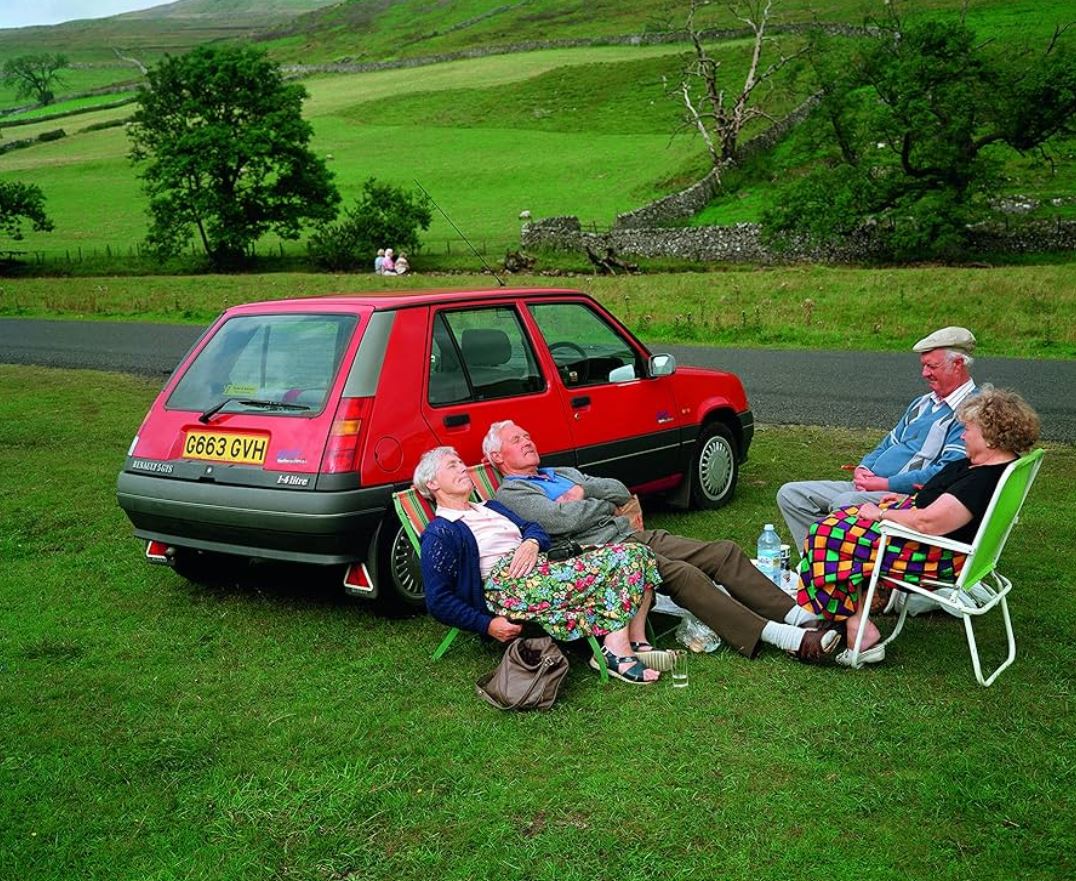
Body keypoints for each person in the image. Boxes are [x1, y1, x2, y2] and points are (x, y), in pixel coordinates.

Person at [484, 421, 840, 663]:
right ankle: (789, 639)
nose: (528, 441)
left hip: (632, 533)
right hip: (604, 552)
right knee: (684, 575)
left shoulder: (560, 473)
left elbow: (619, 491)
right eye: (517, 440)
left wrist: (582, 491)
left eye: (527, 435)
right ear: (498, 458)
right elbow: (562, 521)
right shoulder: (513, 491)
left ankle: (802, 618)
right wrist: (601, 506)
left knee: (723, 551)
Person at [798, 387, 1039, 667]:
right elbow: (939, 503)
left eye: (968, 429)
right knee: (839, 524)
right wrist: (905, 499)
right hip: (930, 537)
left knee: (825, 536)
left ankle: (857, 629)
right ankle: (855, 620)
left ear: (991, 437)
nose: (962, 435)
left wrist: (880, 514)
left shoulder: (982, 481)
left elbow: (929, 522)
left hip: (933, 553)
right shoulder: (997, 465)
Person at [415, 446, 667, 684]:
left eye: (461, 463)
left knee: (638, 553)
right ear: (433, 484)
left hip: (541, 564)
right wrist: (487, 624)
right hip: (511, 586)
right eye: (452, 465)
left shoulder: (490, 507)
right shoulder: (441, 532)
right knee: (621, 560)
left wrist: (532, 542)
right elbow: (438, 600)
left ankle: (636, 641)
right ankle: (616, 651)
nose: (462, 468)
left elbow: (533, 527)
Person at [777, 326, 979, 555]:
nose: (924, 373)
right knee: (791, 494)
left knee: (846, 502)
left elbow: (945, 472)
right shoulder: (922, 403)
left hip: (904, 495)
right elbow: (888, 442)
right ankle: (814, 562)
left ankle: (841, 570)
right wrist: (864, 466)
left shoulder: (970, 411)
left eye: (932, 366)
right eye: (923, 366)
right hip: (869, 484)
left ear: (958, 364)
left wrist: (884, 484)